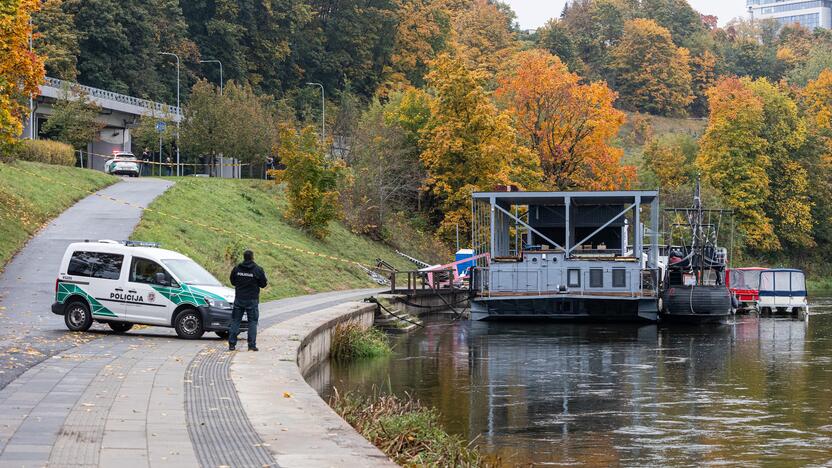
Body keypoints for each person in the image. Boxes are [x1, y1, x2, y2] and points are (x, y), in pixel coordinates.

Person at [228, 250, 268, 351]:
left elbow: (232, 281)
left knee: (235, 321)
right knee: (252, 322)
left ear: (244, 257)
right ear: (252, 257)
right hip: (252, 300)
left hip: (239, 299)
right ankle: (251, 345)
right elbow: (263, 284)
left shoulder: (237, 268)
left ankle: (232, 344)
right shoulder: (258, 270)